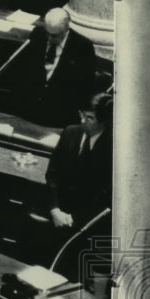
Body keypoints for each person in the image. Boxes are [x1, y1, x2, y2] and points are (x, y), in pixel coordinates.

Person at [11, 7, 95, 128]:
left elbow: (83, 88)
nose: (49, 38)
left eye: (54, 35)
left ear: (66, 28)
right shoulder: (38, 35)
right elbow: (24, 71)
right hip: (28, 111)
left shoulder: (82, 47)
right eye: (47, 33)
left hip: (60, 117)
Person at [46, 92, 112, 233]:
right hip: (57, 211)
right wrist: (54, 209)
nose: (83, 121)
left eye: (90, 118)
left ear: (104, 120)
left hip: (86, 222)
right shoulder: (70, 133)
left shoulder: (113, 148)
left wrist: (74, 218)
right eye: (82, 115)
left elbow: (105, 194)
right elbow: (52, 174)